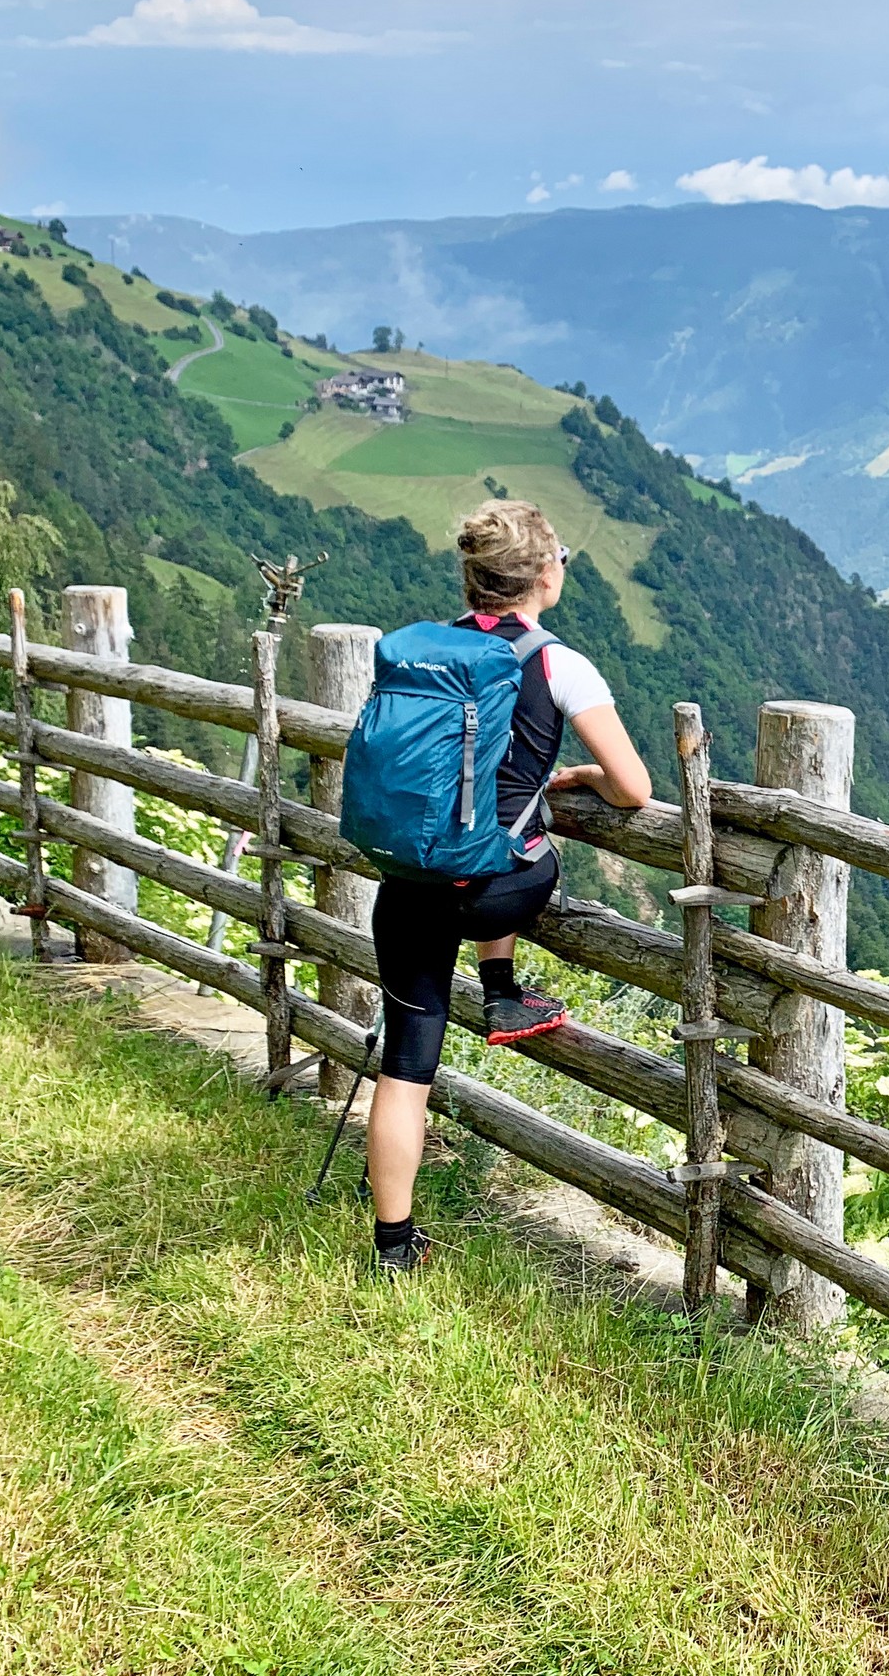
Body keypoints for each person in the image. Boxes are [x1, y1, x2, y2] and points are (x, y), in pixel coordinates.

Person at [367, 500, 653, 1275]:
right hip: (498, 893)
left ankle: (394, 1249)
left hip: (409, 884)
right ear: (542, 575)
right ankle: (501, 986)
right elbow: (634, 788)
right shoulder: (557, 662)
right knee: (535, 847)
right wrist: (587, 774)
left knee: (405, 1068)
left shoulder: (426, 651)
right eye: (560, 558)